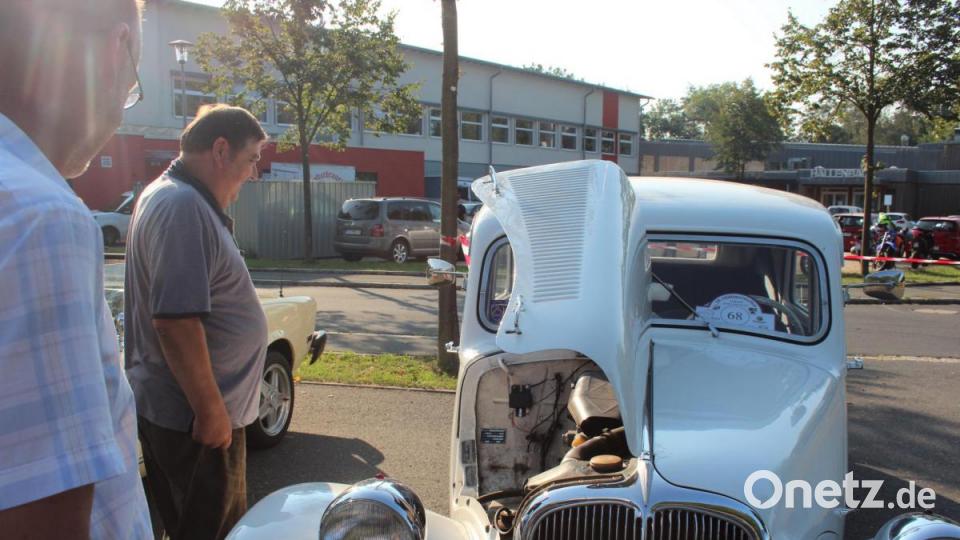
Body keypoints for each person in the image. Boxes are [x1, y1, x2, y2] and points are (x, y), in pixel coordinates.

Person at [0, 1, 153, 538]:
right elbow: (42, 521)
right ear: (116, 53)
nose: (123, 109)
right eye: (132, 84)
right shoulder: (42, 217)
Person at [124, 104, 268, 540]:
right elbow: (176, 322)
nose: (254, 174)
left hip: (196, 419)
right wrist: (210, 413)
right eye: (251, 160)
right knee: (213, 532)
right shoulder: (182, 205)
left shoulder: (176, 197)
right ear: (220, 150)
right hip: (199, 425)